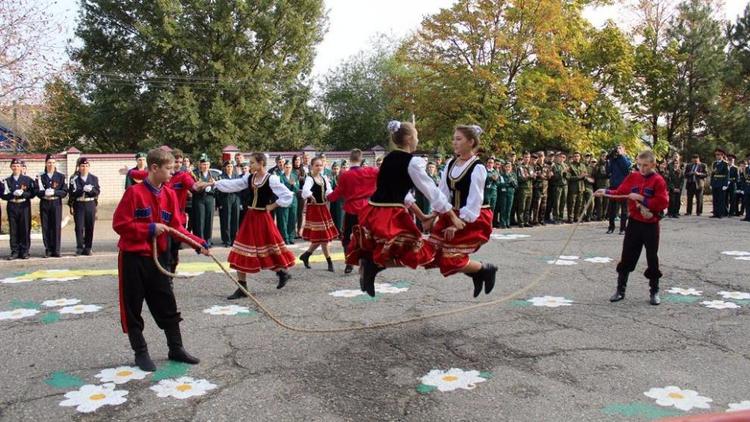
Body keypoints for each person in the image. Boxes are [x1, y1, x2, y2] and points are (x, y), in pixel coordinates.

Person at [113, 148, 210, 372]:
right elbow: (120, 225)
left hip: (159, 259)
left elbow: (176, 227)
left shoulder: (168, 194)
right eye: (169, 168)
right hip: (133, 258)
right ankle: (141, 352)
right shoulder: (134, 193)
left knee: (167, 302)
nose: (172, 172)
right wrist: (149, 228)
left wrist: (198, 243)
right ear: (154, 168)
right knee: (132, 306)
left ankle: (176, 348)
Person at [347, 121, 468, 297]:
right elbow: (431, 191)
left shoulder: (389, 158)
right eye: (416, 134)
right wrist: (451, 215)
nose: (418, 138)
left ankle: (371, 266)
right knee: (416, 251)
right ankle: (372, 266)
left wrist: (423, 216)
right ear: (410, 138)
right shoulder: (412, 162)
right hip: (390, 214)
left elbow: (403, 194)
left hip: (374, 210)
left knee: (393, 250)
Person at [425, 125, 498, 297]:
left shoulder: (478, 167)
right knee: (433, 252)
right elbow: (442, 193)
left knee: (451, 258)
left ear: (471, 142)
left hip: (473, 217)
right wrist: (433, 215)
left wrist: (458, 225)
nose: (454, 142)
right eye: (454, 138)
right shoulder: (451, 163)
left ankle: (485, 270)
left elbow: (475, 200)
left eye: (459, 139)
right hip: (453, 214)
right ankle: (477, 272)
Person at [212, 153, 295, 300]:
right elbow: (233, 185)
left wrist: (273, 205)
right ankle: (242, 287)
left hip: (263, 218)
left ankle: (282, 273)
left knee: (268, 249)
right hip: (250, 217)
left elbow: (288, 195)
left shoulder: (272, 179)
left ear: (261, 163)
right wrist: (214, 184)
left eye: (252, 163)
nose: (249, 165)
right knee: (240, 249)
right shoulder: (249, 178)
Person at [595, 150, 668, 306]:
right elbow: (621, 191)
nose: (642, 168)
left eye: (645, 165)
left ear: (653, 165)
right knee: (627, 255)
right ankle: (620, 289)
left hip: (651, 224)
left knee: (652, 257)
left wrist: (642, 198)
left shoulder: (658, 180)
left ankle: (654, 291)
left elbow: (663, 202)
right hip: (634, 222)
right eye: (639, 165)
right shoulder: (633, 176)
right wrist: (606, 192)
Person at [326, 149, 379, 274]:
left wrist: (328, 197)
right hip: (366, 208)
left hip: (351, 208)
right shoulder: (371, 171)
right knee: (367, 236)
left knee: (347, 237)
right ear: (361, 159)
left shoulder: (345, 174)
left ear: (350, 159)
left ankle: (349, 262)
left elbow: (339, 192)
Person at [299, 157, 339, 272]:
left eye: (320, 165)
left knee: (321, 237)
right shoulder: (309, 179)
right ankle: (329, 262)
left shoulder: (323, 178)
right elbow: (305, 190)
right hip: (315, 210)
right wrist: (310, 196)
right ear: (311, 166)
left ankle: (306, 255)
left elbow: (329, 191)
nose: (319, 167)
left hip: (323, 208)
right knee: (324, 238)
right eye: (316, 165)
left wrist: (332, 195)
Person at [2, 158, 35, 259]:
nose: (16, 168)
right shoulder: (6, 181)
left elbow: (33, 193)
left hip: (24, 206)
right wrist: (12, 195)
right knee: (14, 229)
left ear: (21, 167)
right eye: (14, 166)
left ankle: (25, 251)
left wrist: (24, 194)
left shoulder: (28, 180)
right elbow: (2, 195)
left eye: (18, 166)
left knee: (25, 228)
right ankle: (14, 251)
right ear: (11, 167)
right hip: (12, 206)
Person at [36, 154, 68, 257]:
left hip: (56, 203)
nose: (51, 164)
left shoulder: (61, 176)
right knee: (46, 226)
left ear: (55, 163)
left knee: (56, 226)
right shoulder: (40, 177)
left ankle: (56, 250)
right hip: (45, 203)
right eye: (49, 162)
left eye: (53, 162)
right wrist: (44, 193)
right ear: (45, 163)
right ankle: (48, 249)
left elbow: (64, 192)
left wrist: (54, 192)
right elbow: (36, 191)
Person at [69, 157, 100, 255]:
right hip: (79, 204)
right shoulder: (74, 178)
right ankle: (79, 247)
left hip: (90, 203)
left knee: (90, 226)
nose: (84, 168)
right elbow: (72, 192)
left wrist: (90, 190)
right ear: (79, 167)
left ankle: (88, 247)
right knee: (79, 227)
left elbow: (97, 191)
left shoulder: (94, 178)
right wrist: (82, 189)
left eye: (86, 166)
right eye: (82, 166)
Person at [606, 145, 632, 234]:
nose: (618, 150)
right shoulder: (613, 160)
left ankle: (623, 228)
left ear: (624, 151)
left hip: (623, 186)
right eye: (617, 149)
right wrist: (608, 160)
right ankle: (611, 227)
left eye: (620, 148)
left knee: (624, 208)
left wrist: (621, 156)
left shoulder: (627, 159)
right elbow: (608, 171)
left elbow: (626, 168)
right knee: (612, 208)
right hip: (613, 186)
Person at [191, 154, 216, 245]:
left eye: (207, 164)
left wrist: (212, 189)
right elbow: (194, 186)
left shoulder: (212, 174)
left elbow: (217, 187)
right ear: (200, 165)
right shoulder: (195, 174)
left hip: (209, 198)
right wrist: (206, 185)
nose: (205, 166)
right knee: (200, 219)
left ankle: (208, 239)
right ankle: (200, 240)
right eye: (204, 164)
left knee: (209, 219)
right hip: (199, 198)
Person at [217, 161, 241, 247]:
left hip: (235, 198)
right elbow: (218, 191)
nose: (229, 168)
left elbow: (240, 187)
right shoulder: (221, 177)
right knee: (226, 220)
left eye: (231, 166)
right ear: (225, 168)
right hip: (226, 198)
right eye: (228, 166)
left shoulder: (236, 176)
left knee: (235, 220)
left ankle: (234, 240)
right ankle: (227, 240)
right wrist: (219, 203)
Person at [277, 160, 299, 245]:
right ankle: (284, 237)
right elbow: (281, 189)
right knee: (284, 219)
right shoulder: (280, 177)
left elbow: (297, 189)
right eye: (286, 167)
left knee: (292, 219)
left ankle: (291, 237)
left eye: (289, 167)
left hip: (293, 200)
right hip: (284, 200)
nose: (288, 169)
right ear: (284, 167)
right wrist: (289, 186)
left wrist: (293, 185)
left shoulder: (294, 176)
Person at [514, 152, 533, 228]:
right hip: (523, 189)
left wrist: (533, 176)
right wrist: (528, 177)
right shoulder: (520, 167)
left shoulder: (531, 167)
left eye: (528, 157)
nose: (527, 159)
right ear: (523, 158)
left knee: (528, 207)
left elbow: (532, 176)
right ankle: (521, 222)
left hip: (530, 188)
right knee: (522, 207)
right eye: (525, 157)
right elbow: (519, 178)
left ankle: (526, 221)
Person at [530, 152, 550, 226]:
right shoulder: (534, 166)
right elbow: (533, 176)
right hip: (537, 187)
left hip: (545, 188)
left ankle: (541, 219)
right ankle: (535, 220)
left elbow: (548, 176)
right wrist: (539, 176)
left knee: (543, 205)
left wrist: (548, 176)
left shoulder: (547, 166)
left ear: (544, 157)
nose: (541, 158)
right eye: (539, 156)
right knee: (536, 205)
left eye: (542, 156)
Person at [566, 152, 586, 223]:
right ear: (573, 157)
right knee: (572, 203)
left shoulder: (583, 165)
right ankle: (570, 218)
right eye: (575, 156)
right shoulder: (570, 166)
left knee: (579, 203)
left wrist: (584, 177)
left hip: (581, 187)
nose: (576, 157)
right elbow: (568, 177)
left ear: (580, 157)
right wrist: (578, 177)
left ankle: (576, 217)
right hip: (573, 187)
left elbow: (585, 175)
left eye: (578, 156)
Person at [496, 160, 517, 229]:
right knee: (503, 208)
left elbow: (516, 185)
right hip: (503, 194)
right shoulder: (501, 175)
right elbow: (500, 185)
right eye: (506, 167)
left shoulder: (513, 175)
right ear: (504, 168)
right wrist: (508, 183)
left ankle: (508, 222)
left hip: (511, 193)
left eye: (509, 167)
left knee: (509, 208)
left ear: (511, 168)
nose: (508, 168)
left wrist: (512, 182)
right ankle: (503, 223)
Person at [549, 152, 568, 224]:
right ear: (558, 157)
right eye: (561, 157)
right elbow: (554, 177)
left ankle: (561, 217)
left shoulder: (566, 165)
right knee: (557, 202)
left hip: (565, 185)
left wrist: (566, 173)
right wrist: (562, 171)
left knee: (563, 202)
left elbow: (568, 176)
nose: (562, 158)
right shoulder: (555, 166)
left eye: (564, 157)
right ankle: (555, 217)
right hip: (557, 186)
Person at [710, 148, 729, 218]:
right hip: (715, 183)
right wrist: (711, 183)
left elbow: (727, 175)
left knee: (721, 199)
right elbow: (712, 174)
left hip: (721, 183)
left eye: (718, 155)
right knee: (715, 199)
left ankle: (721, 213)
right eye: (716, 155)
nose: (717, 156)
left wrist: (725, 184)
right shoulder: (714, 163)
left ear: (722, 155)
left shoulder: (725, 163)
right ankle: (715, 213)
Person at [593, 151, 610, 221]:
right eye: (603, 156)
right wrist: (605, 175)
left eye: (605, 156)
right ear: (600, 157)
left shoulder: (609, 164)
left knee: (606, 202)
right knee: (599, 202)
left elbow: (610, 174)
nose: (604, 157)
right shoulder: (597, 165)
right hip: (599, 185)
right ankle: (599, 216)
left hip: (607, 185)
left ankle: (604, 215)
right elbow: (596, 175)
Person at [329, 162, 344, 232]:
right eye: (334, 169)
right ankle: (334, 231)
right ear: (332, 169)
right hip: (332, 200)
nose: (335, 170)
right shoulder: (330, 177)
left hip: (341, 200)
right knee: (333, 214)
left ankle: (340, 231)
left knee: (340, 216)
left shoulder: (342, 177)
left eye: (337, 169)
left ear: (339, 169)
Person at [484, 157, 499, 225]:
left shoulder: (495, 171)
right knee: (487, 208)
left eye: (492, 163)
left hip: (494, 191)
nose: (490, 164)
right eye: (489, 162)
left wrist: (495, 179)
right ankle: (486, 223)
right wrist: (490, 178)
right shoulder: (484, 171)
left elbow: (499, 182)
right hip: (486, 191)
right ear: (486, 163)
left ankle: (490, 223)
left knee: (492, 208)